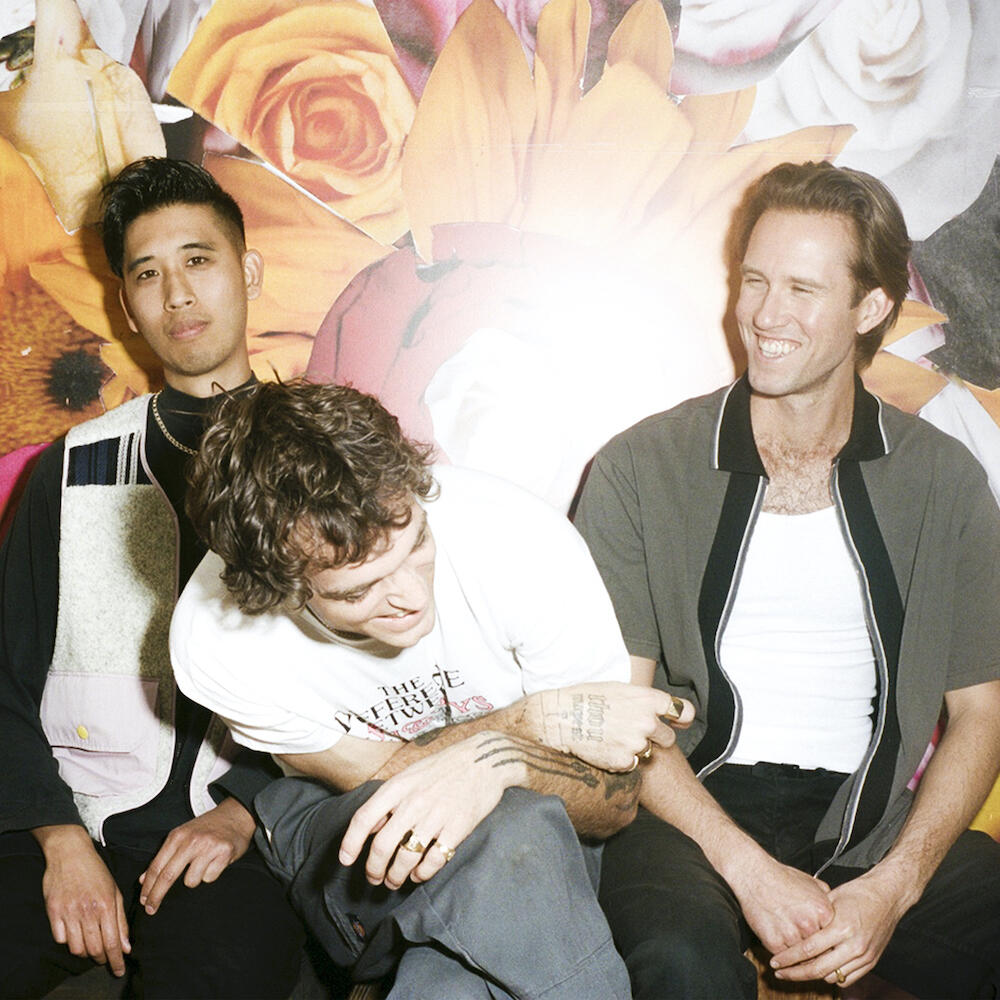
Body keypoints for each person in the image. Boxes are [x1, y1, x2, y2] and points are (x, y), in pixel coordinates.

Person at [573, 160, 1000, 999]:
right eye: (755, 280)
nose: (766, 315)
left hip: (872, 812)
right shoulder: (638, 467)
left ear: (870, 308)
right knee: (678, 960)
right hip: (687, 805)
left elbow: (980, 713)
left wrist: (894, 887)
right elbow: (619, 714)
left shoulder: (944, 479)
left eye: (803, 289)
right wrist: (747, 868)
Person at [170, 379, 692, 1000]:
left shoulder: (519, 539)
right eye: (358, 590)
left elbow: (616, 802)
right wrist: (527, 726)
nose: (412, 597)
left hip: (539, 840)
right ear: (278, 590)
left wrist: (501, 762)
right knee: (513, 826)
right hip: (345, 828)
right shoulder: (216, 637)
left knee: (455, 975)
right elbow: (389, 781)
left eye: (416, 543)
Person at [0, 157, 303, 997]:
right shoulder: (72, 468)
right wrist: (60, 839)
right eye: (147, 273)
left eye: (198, 260)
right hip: (70, 821)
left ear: (249, 271)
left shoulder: (325, 461)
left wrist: (243, 813)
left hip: (233, 839)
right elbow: (4, 678)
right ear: (127, 307)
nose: (177, 294)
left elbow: (375, 679)